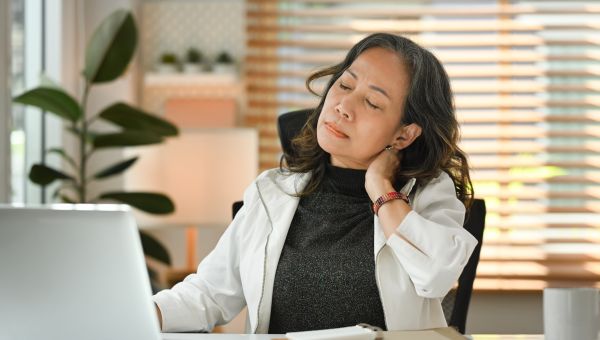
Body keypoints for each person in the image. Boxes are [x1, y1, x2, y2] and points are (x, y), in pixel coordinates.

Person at [152, 32, 478, 334]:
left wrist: (380, 187)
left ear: (404, 134)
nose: (343, 106)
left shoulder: (427, 196)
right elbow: (210, 294)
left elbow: (435, 276)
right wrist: (143, 312)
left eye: (372, 102)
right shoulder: (272, 192)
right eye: (345, 86)